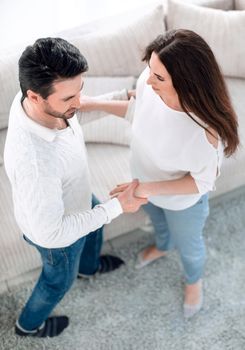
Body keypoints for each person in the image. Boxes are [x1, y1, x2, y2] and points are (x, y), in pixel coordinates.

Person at [79, 29, 239, 318]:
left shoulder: (204, 133)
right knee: (159, 226)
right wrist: (93, 103)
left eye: (159, 77)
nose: (147, 79)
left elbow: (201, 182)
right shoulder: (148, 81)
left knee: (189, 246)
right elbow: (138, 111)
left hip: (181, 202)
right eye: (150, 70)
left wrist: (146, 189)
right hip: (142, 181)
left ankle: (194, 281)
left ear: (187, 83)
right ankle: (163, 246)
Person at [4, 37, 147, 337]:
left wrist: (121, 96)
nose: (78, 102)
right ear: (35, 97)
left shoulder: (36, 102)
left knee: (95, 227)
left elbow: (76, 112)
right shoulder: (36, 165)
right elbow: (51, 233)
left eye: (79, 91)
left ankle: (89, 268)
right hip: (58, 236)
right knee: (57, 282)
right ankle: (28, 326)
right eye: (69, 98)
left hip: (77, 197)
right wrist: (119, 206)